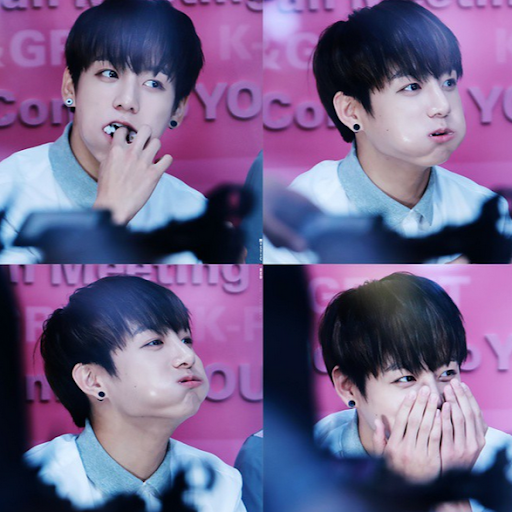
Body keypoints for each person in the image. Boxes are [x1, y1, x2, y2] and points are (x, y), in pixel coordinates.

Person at [264, 0, 511, 264]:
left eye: (448, 82)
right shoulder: (292, 221)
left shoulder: (487, 210)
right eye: (412, 87)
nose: (442, 106)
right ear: (351, 111)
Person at [0, 0, 206, 263]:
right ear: (70, 87)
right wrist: (109, 217)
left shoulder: (196, 214)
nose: (127, 101)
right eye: (109, 73)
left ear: (177, 109)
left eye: (153, 83)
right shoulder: (8, 190)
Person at [24, 275, 246, 512]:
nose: (187, 356)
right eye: (154, 342)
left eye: (186, 340)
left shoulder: (220, 482)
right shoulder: (31, 484)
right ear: (93, 380)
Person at [315, 273, 512, 512]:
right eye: (406, 379)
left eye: (447, 373)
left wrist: (447, 490)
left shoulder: (502, 458)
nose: (436, 397)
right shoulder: (306, 461)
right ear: (348, 387)